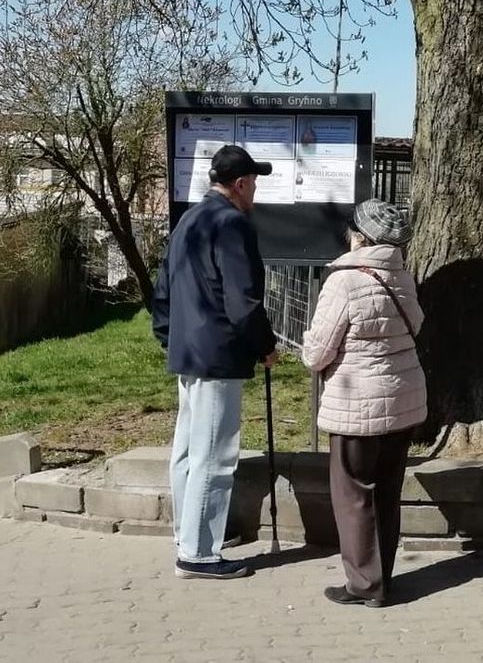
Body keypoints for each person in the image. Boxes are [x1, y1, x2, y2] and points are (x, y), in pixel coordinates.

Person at [152, 145, 279, 580]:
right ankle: (199, 553)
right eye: (254, 183)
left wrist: (170, 338)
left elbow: (163, 290)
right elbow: (242, 302)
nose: (255, 191)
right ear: (240, 184)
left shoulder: (189, 219)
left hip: (188, 351)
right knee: (215, 455)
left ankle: (187, 535)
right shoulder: (232, 224)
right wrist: (265, 346)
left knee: (188, 451)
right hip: (219, 353)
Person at [302, 199, 427, 608]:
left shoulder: (344, 281)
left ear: (358, 237)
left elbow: (317, 354)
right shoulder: (402, 276)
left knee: (354, 494)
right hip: (403, 400)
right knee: (388, 491)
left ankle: (364, 585)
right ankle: (382, 577)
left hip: (357, 405)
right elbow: (417, 323)